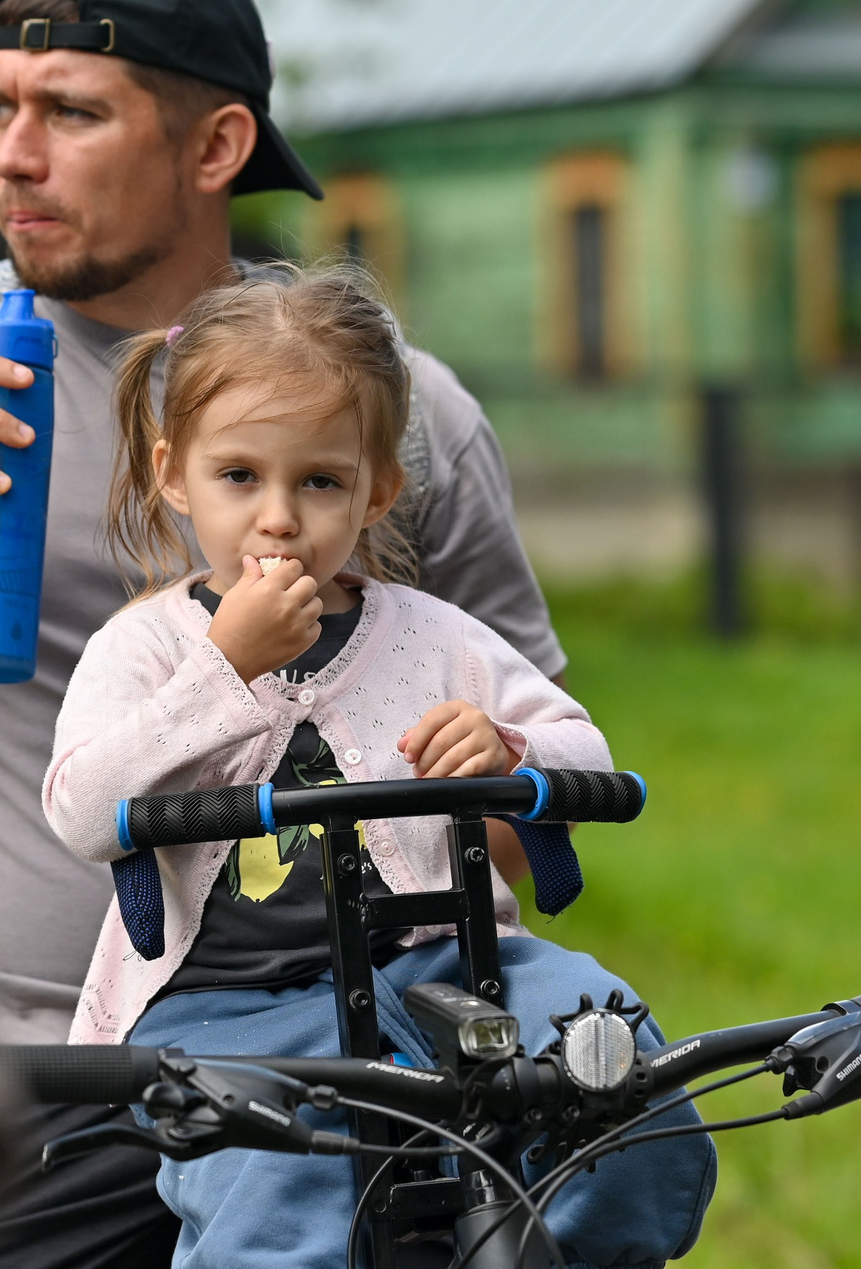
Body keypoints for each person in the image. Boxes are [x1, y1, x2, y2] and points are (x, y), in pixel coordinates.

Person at [0, 0, 568, 1268]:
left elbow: (534, 780)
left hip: (343, 1078)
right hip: (9, 1080)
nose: (15, 153)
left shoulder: (384, 411)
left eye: (71, 112)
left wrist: (487, 778)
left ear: (215, 145)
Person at [43, 267, 714, 1268]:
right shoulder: (142, 650)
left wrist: (506, 749)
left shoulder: (434, 636)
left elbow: (585, 747)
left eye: (319, 480)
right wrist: (222, 669)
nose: (278, 517)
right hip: (231, 1001)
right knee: (284, 1189)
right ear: (172, 474)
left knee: (624, 1076)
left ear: (377, 488)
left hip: (452, 966)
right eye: (240, 477)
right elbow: (84, 809)